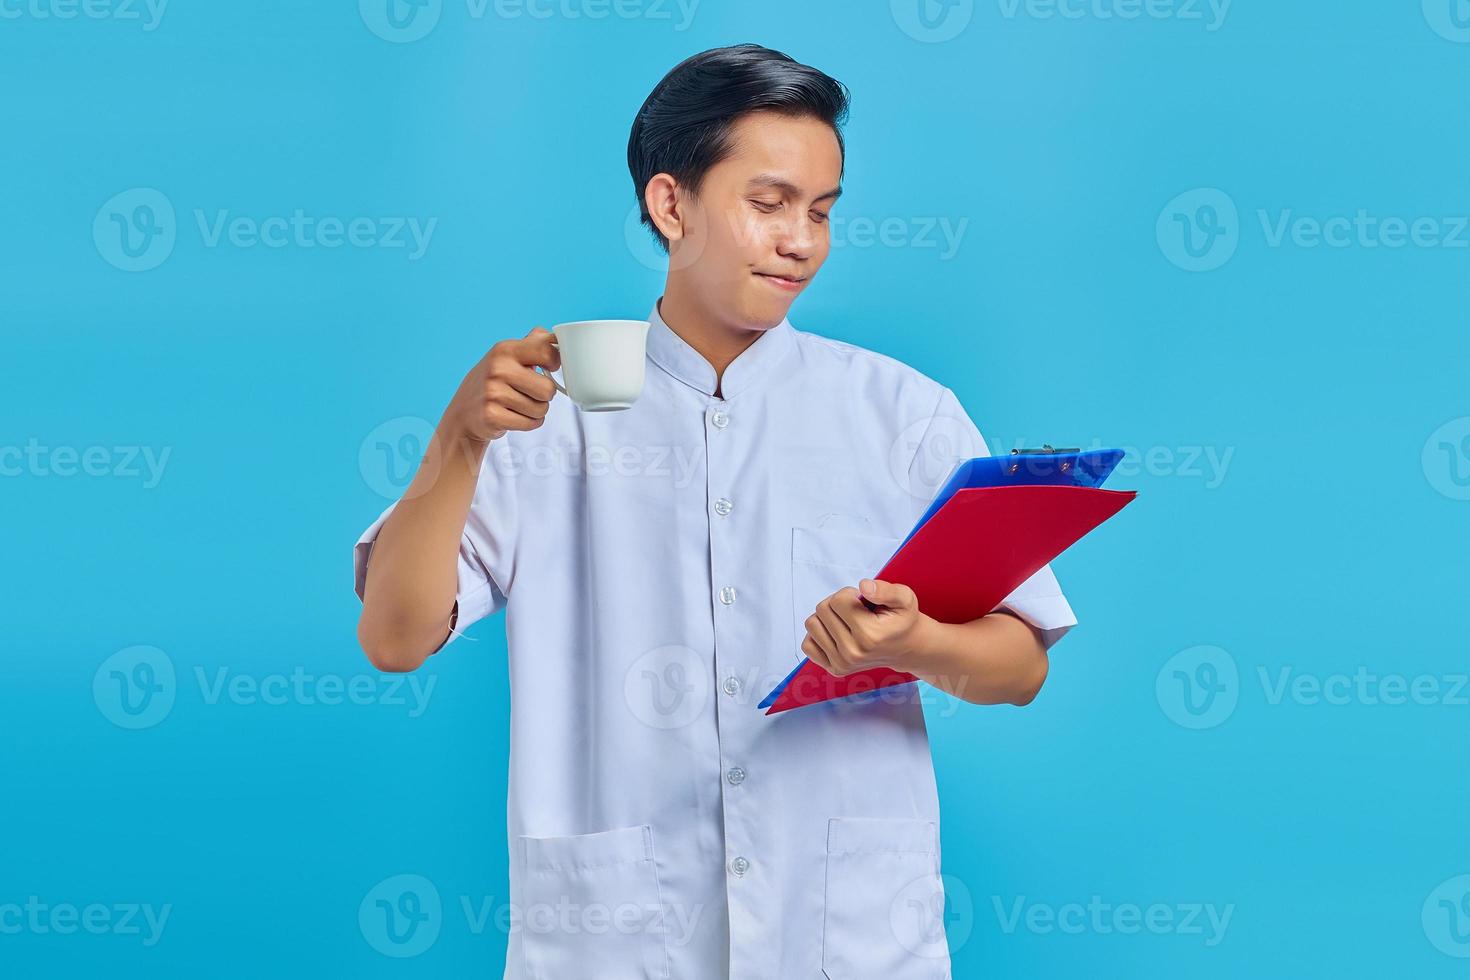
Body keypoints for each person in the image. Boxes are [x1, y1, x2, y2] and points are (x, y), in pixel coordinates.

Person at [354, 42, 1074, 980]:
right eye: (768, 204)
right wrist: (456, 444)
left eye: (821, 211)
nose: (801, 241)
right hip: (615, 944)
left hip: (849, 942)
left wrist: (914, 644)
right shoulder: (549, 416)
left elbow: (1020, 668)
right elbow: (396, 638)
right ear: (671, 205)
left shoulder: (903, 414)